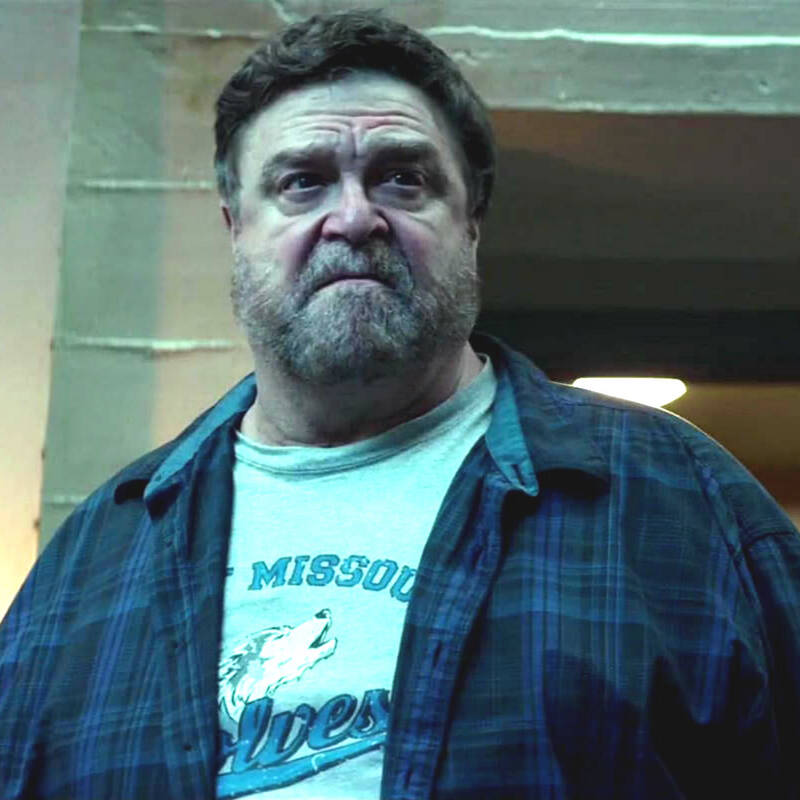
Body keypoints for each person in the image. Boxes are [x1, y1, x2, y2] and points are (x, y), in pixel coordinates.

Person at [1, 9, 799, 800]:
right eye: (302, 182)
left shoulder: (683, 503)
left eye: (402, 179)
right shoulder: (94, 558)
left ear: (471, 222)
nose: (354, 218)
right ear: (235, 227)